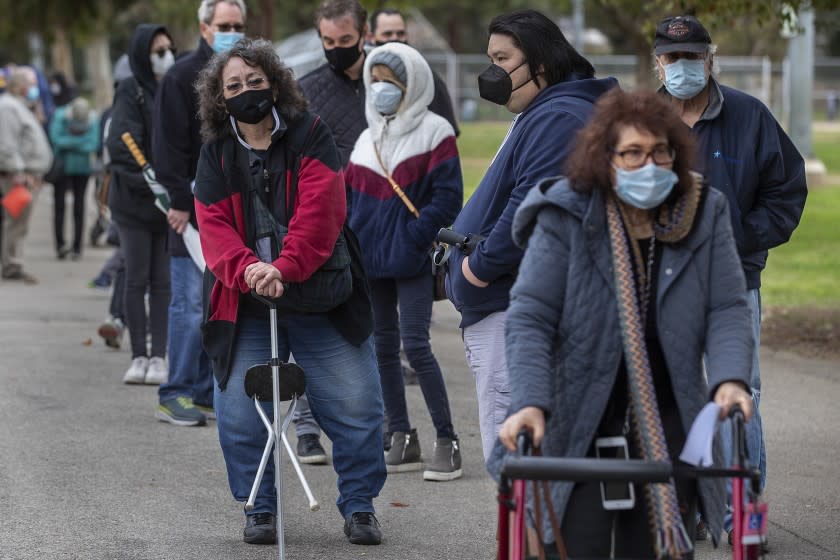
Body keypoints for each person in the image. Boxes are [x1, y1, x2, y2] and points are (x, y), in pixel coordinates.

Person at [494, 88, 755, 558]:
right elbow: (530, 317)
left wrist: (730, 379)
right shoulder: (567, 213)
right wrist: (530, 403)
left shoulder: (703, 209)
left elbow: (728, 307)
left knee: (658, 547)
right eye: (633, 153)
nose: (649, 165)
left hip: (669, 410)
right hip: (580, 412)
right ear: (605, 157)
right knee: (578, 543)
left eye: (661, 152)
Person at [194, 37, 386, 546]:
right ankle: (260, 505)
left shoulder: (311, 133)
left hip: (322, 293)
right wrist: (253, 271)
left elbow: (323, 211)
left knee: (356, 403)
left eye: (255, 82)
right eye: (233, 86)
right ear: (219, 98)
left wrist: (284, 265)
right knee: (239, 409)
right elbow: (213, 231)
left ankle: (361, 504)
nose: (245, 91)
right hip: (247, 300)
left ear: (275, 84)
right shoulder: (214, 154)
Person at [652, 15, 807, 542]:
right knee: (665, 394)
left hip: (731, 283)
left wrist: (738, 239)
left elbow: (787, 192)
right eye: (673, 58)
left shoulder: (750, 116)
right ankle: (680, 509)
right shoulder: (641, 119)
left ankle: (742, 515)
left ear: (710, 59)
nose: (683, 67)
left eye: (692, 57)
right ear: (658, 62)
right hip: (657, 283)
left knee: (737, 394)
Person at [445, 9, 617, 461]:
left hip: (509, 304)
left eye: (502, 59)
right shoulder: (545, 108)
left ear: (539, 63)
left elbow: (531, 206)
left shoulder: (559, 115)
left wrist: (478, 270)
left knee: (514, 450)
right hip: (507, 300)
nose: (492, 72)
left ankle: (526, 532)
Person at [345, 42, 464, 480]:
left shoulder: (436, 132)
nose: (380, 90)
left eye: (389, 82)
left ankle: (447, 439)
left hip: (412, 259)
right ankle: (401, 434)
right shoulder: (366, 135)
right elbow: (350, 198)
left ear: (410, 84)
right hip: (371, 262)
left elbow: (448, 196)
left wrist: (415, 238)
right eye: (374, 81)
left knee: (416, 346)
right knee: (382, 349)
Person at [151, 0, 246, 427]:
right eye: (224, 25)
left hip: (232, 203)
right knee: (189, 302)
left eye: (237, 25)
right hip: (188, 204)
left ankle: (207, 389)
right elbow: (168, 144)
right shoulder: (182, 75)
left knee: (218, 300)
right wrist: (177, 201)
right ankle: (177, 390)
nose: (231, 31)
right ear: (204, 28)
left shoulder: (247, 77)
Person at [287, 0, 371, 464]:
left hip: (375, 228)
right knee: (310, 328)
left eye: (345, 41)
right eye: (328, 42)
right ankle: (306, 428)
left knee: (365, 335)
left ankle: (365, 429)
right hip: (325, 230)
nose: (336, 50)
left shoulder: (387, 82)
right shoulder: (307, 91)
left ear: (364, 33)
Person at [106, 24, 175, 385]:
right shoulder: (129, 91)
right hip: (132, 203)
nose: (165, 55)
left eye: (168, 48)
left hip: (168, 207)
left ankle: (159, 356)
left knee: (162, 282)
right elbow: (121, 145)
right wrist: (152, 181)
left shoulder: (175, 87)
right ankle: (138, 356)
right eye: (157, 50)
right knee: (136, 278)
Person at [367, 8, 460, 137]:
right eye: (387, 34)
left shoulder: (427, 78)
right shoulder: (362, 76)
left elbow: (448, 131)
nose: (395, 38)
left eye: (400, 33)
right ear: (371, 37)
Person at [0, 65, 53, 284]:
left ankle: (14, 262)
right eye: (31, 86)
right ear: (21, 87)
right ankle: (12, 264)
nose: (35, 89)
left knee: (20, 223)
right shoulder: (8, 107)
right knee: (16, 222)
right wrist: (17, 171)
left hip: (28, 175)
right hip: (19, 177)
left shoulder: (20, 106)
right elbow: (6, 144)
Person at [48, 96, 100, 260]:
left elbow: (93, 144)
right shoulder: (60, 115)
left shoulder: (92, 118)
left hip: (81, 169)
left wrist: (68, 142)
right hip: (62, 168)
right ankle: (60, 245)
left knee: (79, 207)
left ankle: (77, 247)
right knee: (59, 207)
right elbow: (56, 140)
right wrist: (80, 142)